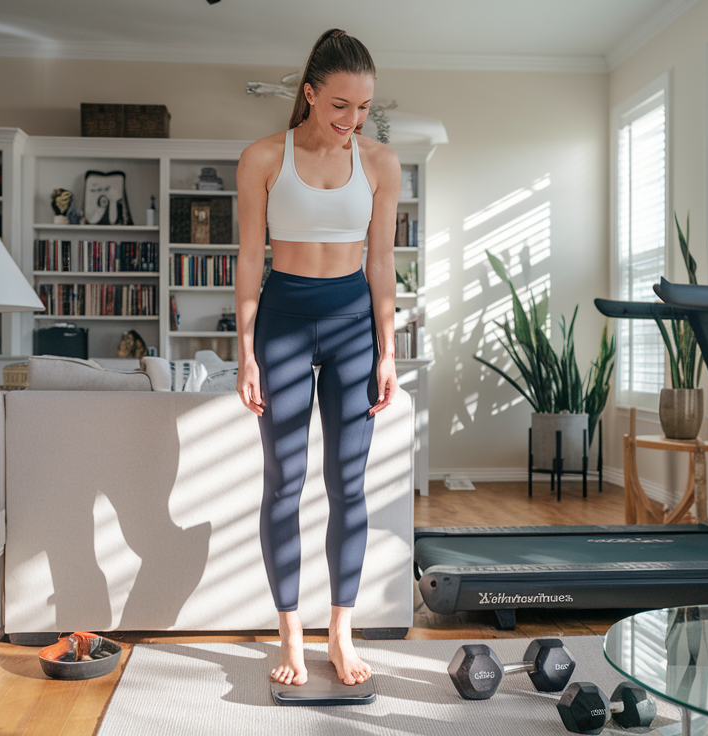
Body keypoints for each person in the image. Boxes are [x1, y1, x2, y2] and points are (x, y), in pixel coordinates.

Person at [235, 28, 400, 688]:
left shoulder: (381, 163)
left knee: (349, 484)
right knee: (285, 480)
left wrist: (388, 352)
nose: (350, 121)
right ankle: (290, 636)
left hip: (354, 322)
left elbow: (382, 264)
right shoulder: (262, 157)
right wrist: (244, 351)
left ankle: (340, 629)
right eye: (338, 106)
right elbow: (249, 258)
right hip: (284, 319)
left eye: (361, 109)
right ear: (308, 94)